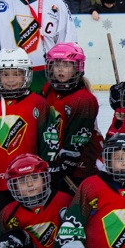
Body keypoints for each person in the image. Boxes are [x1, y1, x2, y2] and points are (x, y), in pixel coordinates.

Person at [0, 49, 60, 225]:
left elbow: (48, 138)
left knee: (29, 220)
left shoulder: (38, 103)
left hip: (30, 179)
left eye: (16, 74)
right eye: (4, 74)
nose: (10, 79)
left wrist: (50, 163)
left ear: (26, 75)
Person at [42, 43, 102, 187]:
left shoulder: (83, 98)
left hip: (84, 162)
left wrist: (64, 165)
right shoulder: (47, 90)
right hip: (57, 159)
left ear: (77, 68)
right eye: (56, 65)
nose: (61, 69)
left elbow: (77, 138)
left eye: (67, 65)